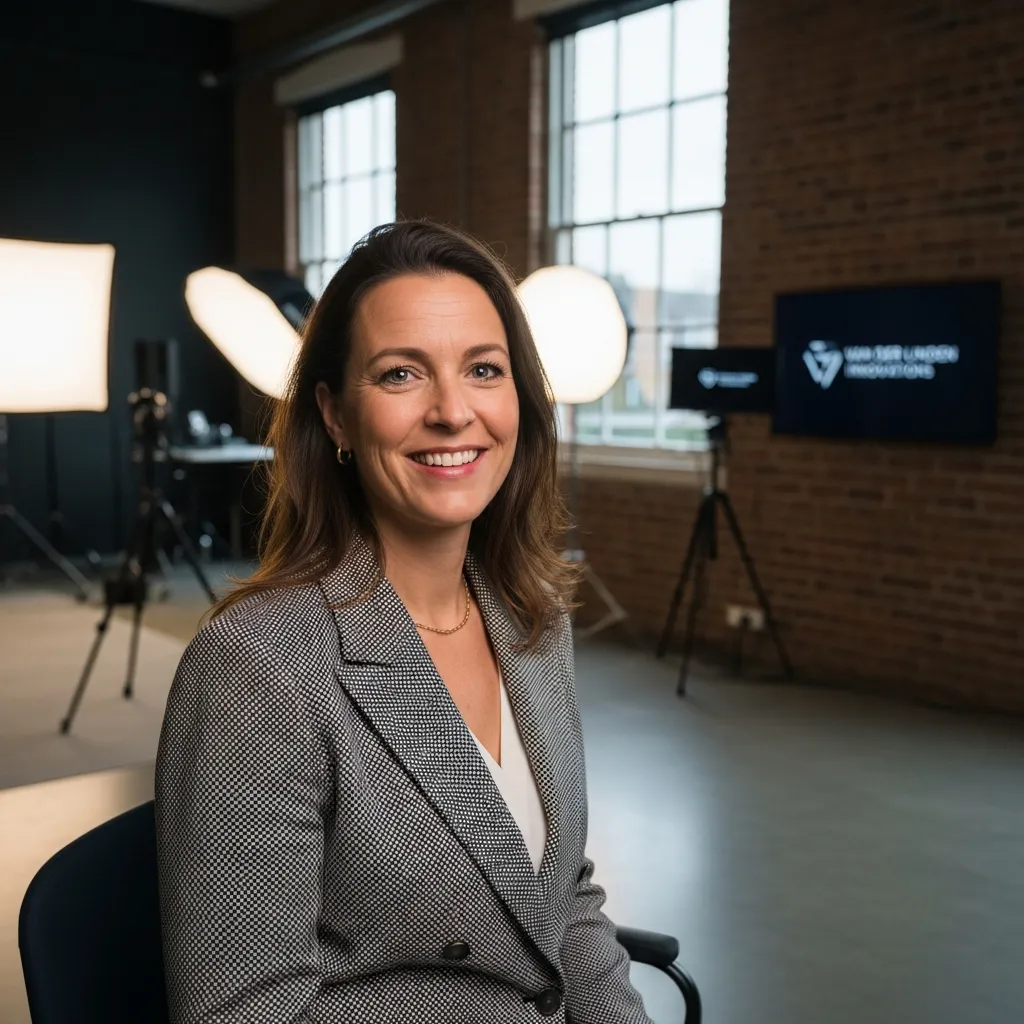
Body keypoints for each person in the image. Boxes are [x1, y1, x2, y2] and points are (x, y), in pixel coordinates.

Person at [155, 220, 652, 1024]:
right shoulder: (258, 666)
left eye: (483, 370)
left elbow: (560, 900)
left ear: (518, 399)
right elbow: (242, 1013)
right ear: (337, 416)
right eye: (401, 375)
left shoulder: (533, 623)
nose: (454, 412)